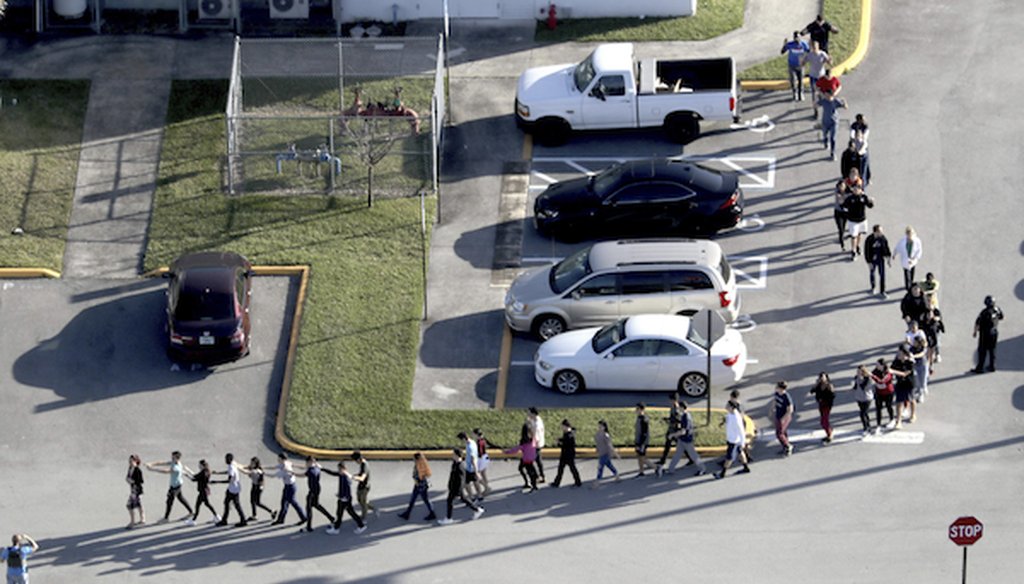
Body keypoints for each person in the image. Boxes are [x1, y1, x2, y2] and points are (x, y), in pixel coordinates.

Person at [659, 400, 707, 476]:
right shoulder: (686, 414)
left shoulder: (685, 417)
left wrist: (672, 435)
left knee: (694, 456)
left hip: (687, 440)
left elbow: (683, 431)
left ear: (681, 407)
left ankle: (702, 469)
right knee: (677, 455)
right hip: (682, 439)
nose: (678, 409)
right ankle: (671, 469)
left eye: (679, 407)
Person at [437, 449, 484, 525]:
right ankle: (477, 510)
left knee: (450, 501)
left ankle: (449, 518)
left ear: (456, 455)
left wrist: (458, 490)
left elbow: (461, 480)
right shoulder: (455, 463)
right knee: (464, 499)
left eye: (453, 454)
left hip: (456, 487)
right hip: (453, 486)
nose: (452, 455)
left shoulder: (460, 466)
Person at [146, 451, 195, 522]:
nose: (171, 458)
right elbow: (162, 463)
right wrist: (151, 463)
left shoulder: (176, 467)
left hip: (174, 487)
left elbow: (165, 471)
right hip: (178, 484)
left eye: (173, 457)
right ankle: (191, 512)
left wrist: (152, 469)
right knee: (181, 498)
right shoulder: (176, 462)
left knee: (169, 502)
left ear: (177, 458)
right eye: (171, 457)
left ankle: (166, 518)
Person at [323, 461, 367, 534]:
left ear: (343, 469)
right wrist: (322, 469)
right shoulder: (342, 474)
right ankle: (361, 525)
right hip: (344, 498)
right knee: (346, 513)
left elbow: (347, 489)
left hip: (344, 499)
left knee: (341, 513)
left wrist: (342, 497)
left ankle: (337, 529)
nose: (338, 471)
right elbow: (332, 473)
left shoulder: (345, 477)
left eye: (339, 469)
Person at [296, 455, 334, 532]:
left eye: (307, 463)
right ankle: (331, 518)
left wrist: (293, 474)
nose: (306, 464)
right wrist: (294, 465)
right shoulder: (317, 468)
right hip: (317, 489)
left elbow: (302, 475)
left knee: (308, 508)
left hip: (312, 491)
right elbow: (304, 468)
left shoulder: (310, 471)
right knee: (316, 505)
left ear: (310, 462)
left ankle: (309, 527)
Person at [270, 452, 307, 526]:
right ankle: (281, 519)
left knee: (293, 503)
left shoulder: (284, 469)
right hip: (288, 486)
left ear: (282, 459)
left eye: (279, 458)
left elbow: (272, 475)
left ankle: (304, 517)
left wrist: (262, 473)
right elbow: (274, 467)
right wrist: (262, 467)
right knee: (284, 502)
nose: (277, 459)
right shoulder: (286, 463)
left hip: (290, 487)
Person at [397, 452, 436, 521]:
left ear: (417, 459)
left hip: (421, 486)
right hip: (418, 485)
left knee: (425, 500)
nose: (413, 460)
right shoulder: (420, 464)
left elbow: (420, 476)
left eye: (414, 458)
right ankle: (407, 513)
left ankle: (432, 513)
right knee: (413, 499)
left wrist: (417, 481)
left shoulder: (420, 466)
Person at [716, 401, 750, 478]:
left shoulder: (736, 418)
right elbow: (728, 418)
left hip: (733, 441)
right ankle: (746, 468)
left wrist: (742, 443)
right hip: (733, 439)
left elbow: (741, 431)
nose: (726, 406)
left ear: (732, 407)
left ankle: (722, 474)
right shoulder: (731, 414)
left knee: (729, 457)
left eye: (727, 405)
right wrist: (723, 422)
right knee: (740, 453)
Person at [212, 453, 248, 528]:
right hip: (235, 488)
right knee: (228, 503)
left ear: (229, 459)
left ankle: (241, 520)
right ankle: (239, 519)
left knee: (234, 504)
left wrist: (216, 482)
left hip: (233, 489)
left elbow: (229, 480)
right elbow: (227, 472)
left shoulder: (231, 467)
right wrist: (217, 473)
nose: (225, 460)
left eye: (226, 459)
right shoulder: (232, 464)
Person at [840, 181, 873, 260]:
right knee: (853, 236)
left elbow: (870, 206)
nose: (856, 190)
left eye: (858, 188)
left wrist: (871, 201)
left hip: (862, 220)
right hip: (853, 221)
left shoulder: (864, 197)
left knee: (859, 234)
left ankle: (857, 246)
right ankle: (853, 251)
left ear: (860, 189)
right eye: (854, 188)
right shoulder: (849, 199)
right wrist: (848, 214)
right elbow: (843, 207)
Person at [504, 424, 539, 492]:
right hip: (531, 457)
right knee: (529, 469)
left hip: (526, 459)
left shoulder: (524, 441)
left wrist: (507, 452)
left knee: (528, 471)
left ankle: (531, 484)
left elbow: (516, 449)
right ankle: (533, 482)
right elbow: (535, 445)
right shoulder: (533, 439)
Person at [973, 295, 1004, 373]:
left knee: (982, 350)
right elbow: (1001, 317)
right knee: (992, 349)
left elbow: (978, 323)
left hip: (985, 333)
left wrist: (975, 332)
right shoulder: (997, 309)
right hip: (994, 332)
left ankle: (980, 368)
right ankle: (992, 366)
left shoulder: (984, 312)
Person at [801, 41, 831, 119]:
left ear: (818, 47)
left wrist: (829, 61)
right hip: (813, 77)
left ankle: (825, 108)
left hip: (821, 77)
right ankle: (815, 111)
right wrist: (802, 63)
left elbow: (829, 61)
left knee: (823, 94)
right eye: (813, 47)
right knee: (814, 94)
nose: (814, 49)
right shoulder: (810, 55)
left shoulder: (822, 54)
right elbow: (803, 62)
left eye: (815, 47)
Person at [185, 459, 219, 526]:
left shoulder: (202, 473)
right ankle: (216, 516)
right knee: (207, 504)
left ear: (202, 466)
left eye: (199, 465)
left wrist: (186, 474)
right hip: (205, 490)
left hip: (202, 492)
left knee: (197, 505)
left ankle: (193, 520)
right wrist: (188, 470)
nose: (198, 466)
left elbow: (194, 478)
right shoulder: (207, 471)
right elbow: (196, 476)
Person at [242, 456, 276, 522]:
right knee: (252, 501)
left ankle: (272, 511)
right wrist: (236, 464)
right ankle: (254, 515)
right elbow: (244, 467)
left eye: (252, 463)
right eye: (251, 462)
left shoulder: (256, 471)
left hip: (257, 487)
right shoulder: (253, 468)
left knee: (257, 502)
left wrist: (237, 468)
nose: (251, 464)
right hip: (254, 486)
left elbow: (245, 472)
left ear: (255, 464)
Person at [550, 419, 582, 488]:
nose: (561, 428)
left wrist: (558, 443)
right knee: (562, 469)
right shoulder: (568, 433)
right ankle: (557, 482)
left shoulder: (569, 435)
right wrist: (560, 440)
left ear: (566, 426)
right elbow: (564, 440)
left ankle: (577, 482)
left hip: (568, 455)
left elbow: (565, 445)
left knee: (571, 468)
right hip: (566, 454)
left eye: (562, 426)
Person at [890, 346, 916, 429]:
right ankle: (898, 421)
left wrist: (893, 371)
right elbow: (891, 369)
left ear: (904, 353)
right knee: (899, 402)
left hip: (909, 383)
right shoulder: (896, 361)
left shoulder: (910, 362)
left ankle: (913, 415)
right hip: (900, 383)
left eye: (900, 353)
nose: (898, 354)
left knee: (911, 399)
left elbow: (905, 373)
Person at [864, 224, 892, 298]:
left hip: (880, 259)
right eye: (880, 231)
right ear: (875, 232)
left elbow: (886, 248)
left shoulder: (883, 238)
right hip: (872, 260)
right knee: (872, 273)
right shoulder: (869, 239)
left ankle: (882, 291)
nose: (881, 232)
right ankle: (873, 287)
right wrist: (868, 262)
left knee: (882, 275)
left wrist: (888, 258)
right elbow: (866, 251)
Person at [780, 31, 810, 101]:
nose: (797, 39)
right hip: (792, 65)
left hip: (800, 65)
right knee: (793, 80)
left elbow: (808, 52)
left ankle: (801, 93)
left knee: (800, 81)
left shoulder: (804, 44)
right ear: (794, 38)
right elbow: (782, 52)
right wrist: (784, 45)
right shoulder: (790, 44)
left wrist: (805, 60)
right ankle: (795, 93)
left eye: (799, 37)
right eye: (796, 38)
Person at [655, 393, 682, 468]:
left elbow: (678, 419)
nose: (669, 401)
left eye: (670, 400)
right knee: (668, 444)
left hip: (674, 430)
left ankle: (663, 460)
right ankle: (663, 459)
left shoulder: (676, 408)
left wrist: (669, 420)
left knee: (679, 445)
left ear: (673, 400)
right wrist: (667, 419)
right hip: (672, 429)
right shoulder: (674, 406)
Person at [892, 225, 923, 291]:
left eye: (911, 234)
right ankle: (908, 288)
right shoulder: (902, 242)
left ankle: (910, 283)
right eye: (908, 234)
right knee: (907, 275)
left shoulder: (917, 241)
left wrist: (915, 259)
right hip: (905, 260)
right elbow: (897, 248)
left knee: (912, 273)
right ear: (906, 234)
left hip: (913, 260)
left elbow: (919, 250)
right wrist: (894, 254)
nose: (910, 236)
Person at [819, 91, 848, 160]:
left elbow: (846, 107)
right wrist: (815, 103)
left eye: (827, 95)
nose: (826, 97)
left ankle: (833, 152)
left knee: (833, 138)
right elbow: (815, 105)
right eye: (825, 95)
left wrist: (844, 102)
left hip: (834, 122)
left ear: (831, 95)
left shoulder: (836, 101)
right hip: (825, 122)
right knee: (825, 135)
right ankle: (825, 142)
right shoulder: (823, 101)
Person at [809, 372, 837, 443]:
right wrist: (816, 384)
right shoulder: (819, 385)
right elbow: (812, 391)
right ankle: (829, 432)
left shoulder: (829, 385)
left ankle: (830, 435)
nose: (822, 379)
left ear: (826, 378)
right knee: (823, 421)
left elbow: (833, 395)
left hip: (827, 405)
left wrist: (831, 391)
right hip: (821, 404)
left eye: (823, 377)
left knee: (824, 421)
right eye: (820, 377)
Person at [457, 432, 484, 501]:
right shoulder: (472, 442)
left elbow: (473, 460)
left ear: (463, 439)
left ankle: (471, 496)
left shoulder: (470, 446)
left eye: (461, 440)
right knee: (475, 482)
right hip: (472, 468)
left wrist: (476, 471)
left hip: (470, 468)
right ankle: (479, 495)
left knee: (466, 483)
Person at [871, 358, 896, 432]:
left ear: (882, 365)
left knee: (889, 406)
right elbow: (872, 376)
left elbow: (882, 381)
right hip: (879, 393)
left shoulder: (888, 372)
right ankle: (878, 424)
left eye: (878, 365)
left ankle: (892, 419)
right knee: (878, 409)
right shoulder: (875, 371)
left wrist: (873, 376)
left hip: (888, 392)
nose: (876, 366)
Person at [351, 451, 377, 521]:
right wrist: (355, 475)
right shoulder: (362, 464)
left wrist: (353, 477)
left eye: (355, 461)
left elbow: (362, 478)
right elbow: (360, 474)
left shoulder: (365, 465)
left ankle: (363, 518)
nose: (355, 462)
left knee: (363, 504)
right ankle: (374, 508)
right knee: (360, 501)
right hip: (360, 486)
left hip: (365, 487)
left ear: (358, 459)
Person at [593, 420, 621, 485]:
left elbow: (610, 445)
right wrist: (597, 449)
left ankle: (598, 480)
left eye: (601, 426)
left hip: (606, 454)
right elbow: (597, 443)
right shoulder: (597, 434)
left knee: (600, 467)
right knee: (609, 465)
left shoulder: (606, 436)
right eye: (599, 426)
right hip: (601, 453)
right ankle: (616, 475)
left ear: (604, 427)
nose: (599, 427)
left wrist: (615, 454)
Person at [472, 428, 497, 497]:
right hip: (485, 458)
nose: (472, 435)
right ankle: (486, 488)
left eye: (473, 434)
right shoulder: (483, 439)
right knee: (483, 473)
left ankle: (486, 487)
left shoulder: (478, 441)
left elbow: (479, 452)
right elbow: (491, 444)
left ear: (476, 434)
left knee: (477, 475)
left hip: (481, 459)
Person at [771, 381, 794, 456]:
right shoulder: (777, 394)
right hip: (778, 415)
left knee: (779, 433)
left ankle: (788, 446)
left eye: (777, 387)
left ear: (781, 388)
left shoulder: (786, 397)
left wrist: (783, 418)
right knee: (783, 432)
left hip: (784, 417)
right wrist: (772, 409)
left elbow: (790, 409)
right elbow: (775, 400)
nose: (775, 388)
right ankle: (785, 446)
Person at [851, 365, 875, 434]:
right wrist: (852, 388)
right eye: (857, 371)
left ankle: (866, 428)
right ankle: (868, 426)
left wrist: (860, 379)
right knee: (865, 413)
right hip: (859, 397)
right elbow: (856, 386)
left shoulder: (868, 378)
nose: (857, 372)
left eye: (859, 371)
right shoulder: (857, 377)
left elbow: (863, 387)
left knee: (862, 413)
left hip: (867, 398)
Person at [908, 331, 930, 405]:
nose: (914, 343)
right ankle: (920, 392)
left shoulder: (923, 347)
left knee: (923, 379)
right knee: (917, 380)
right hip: (915, 366)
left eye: (915, 342)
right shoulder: (911, 348)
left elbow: (922, 354)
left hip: (923, 365)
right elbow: (909, 353)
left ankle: (923, 390)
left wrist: (914, 356)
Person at [633, 403, 653, 477]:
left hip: (642, 442)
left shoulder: (644, 419)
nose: (636, 410)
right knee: (640, 456)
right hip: (638, 440)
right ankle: (641, 471)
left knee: (642, 457)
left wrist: (640, 444)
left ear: (642, 409)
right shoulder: (639, 418)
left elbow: (644, 434)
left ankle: (656, 467)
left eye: (637, 409)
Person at [125, 454, 146, 529]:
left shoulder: (138, 470)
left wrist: (132, 481)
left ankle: (132, 522)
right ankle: (142, 519)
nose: (130, 462)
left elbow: (141, 481)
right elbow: (128, 477)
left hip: (137, 491)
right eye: (129, 461)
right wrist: (128, 480)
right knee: (139, 504)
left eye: (132, 461)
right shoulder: (130, 468)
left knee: (130, 506)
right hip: (133, 490)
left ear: (136, 461)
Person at [527, 407, 547, 484]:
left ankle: (539, 476)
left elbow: (536, 437)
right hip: (537, 443)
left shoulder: (537, 425)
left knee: (536, 461)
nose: (528, 414)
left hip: (537, 444)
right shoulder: (536, 419)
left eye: (529, 413)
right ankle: (540, 476)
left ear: (533, 414)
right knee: (537, 461)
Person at [851, 114, 871, 184]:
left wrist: (862, 138)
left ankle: (868, 178)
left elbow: (866, 134)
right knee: (856, 163)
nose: (864, 120)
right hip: (856, 144)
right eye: (863, 119)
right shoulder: (854, 125)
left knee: (866, 163)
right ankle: (856, 176)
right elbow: (852, 133)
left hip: (862, 144)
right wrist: (853, 139)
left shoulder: (865, 125)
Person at [832, 181, 848, 251]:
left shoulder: (848, 191)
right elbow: (840, 201)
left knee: (843, 228)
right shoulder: (837, 193)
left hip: (845, 213)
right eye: (840, 186)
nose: (842, 188)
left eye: (843, 186)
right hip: (838, 212)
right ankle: (842, 244)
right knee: (840, 228)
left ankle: (841, 236)